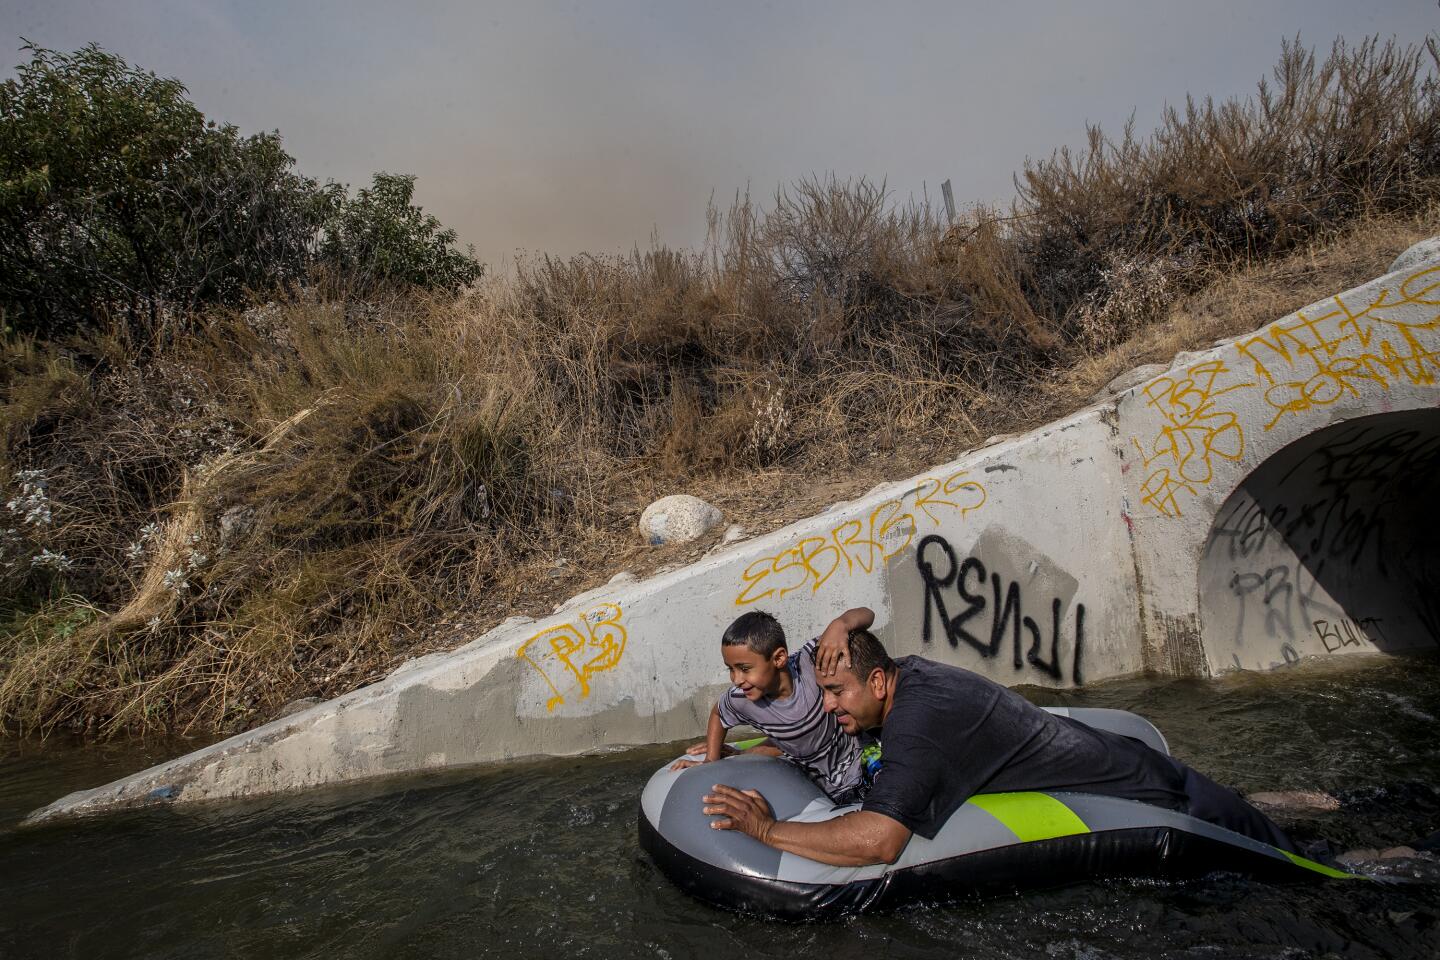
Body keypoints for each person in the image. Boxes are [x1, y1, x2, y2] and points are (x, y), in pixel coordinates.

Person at [702, 617, 1298, 867]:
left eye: (835, 693)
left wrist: (768, 831)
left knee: (1326, 867)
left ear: (878, 681)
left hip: (1159, 804)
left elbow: (880, 842)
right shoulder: (905, 674)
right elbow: (816, 722)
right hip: (1137, 767)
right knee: (1265, 813)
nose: (828, 707)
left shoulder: (917, 727)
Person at [673, 609, 876, 804]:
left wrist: (841, 624)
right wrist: (711, 759)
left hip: (867, 759)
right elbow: (718, 713)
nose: (736, 679)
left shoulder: (809, 662)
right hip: (833, 789)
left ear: (779, 658)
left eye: (744, 669)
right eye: (731, 669)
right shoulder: (741, 699)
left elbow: (867, 614)